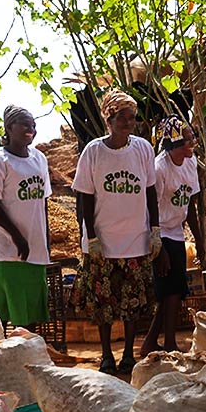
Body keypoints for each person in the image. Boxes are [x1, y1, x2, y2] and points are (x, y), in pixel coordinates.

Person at [71, 89, 162, 374]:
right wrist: (91, 237)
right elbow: (84, 197)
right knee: (104, 302)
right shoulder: (94, 151)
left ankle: (128, 355)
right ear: (108, 119)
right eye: (122, 117)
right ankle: (107, 354)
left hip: (135, 239)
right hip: (104, 242)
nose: (128, 122)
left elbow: (150, 192)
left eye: (132, 117)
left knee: (132, 303)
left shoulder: (143, 149)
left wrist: (155, 230)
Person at [0, 105, 52, 330]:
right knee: (1, 318)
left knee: (30, 316)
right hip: (6, 251)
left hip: (34, 251)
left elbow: (43, 202)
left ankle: (27, 360)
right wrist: (17, 237)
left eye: (33, 125)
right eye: (25, 125)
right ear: (9, 128)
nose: (31, 129)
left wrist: (45, 238)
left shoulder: (39, 158)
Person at [139, 116, 205, 355]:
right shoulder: (159, 168)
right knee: (169, 291)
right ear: (173, 143)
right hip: (160, 232)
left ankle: (155, 342)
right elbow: (150, 209)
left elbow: (191, 205)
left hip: (176, 233)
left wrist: (199, 239)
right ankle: (167, 342)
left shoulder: (190, 163)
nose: (192, 143)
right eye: (187, 139)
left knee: (174, 292)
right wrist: (159, 248)